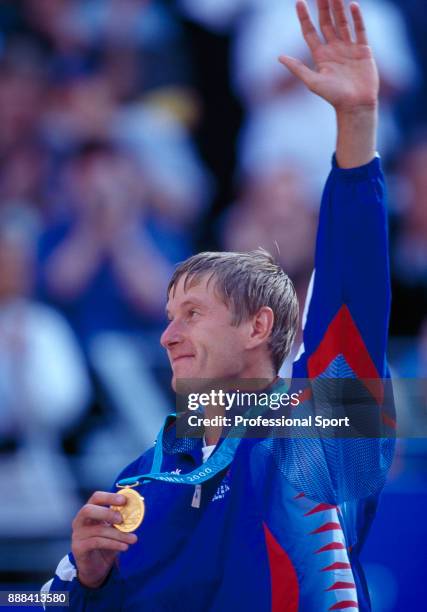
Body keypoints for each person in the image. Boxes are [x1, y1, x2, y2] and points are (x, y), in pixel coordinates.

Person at [45, 1, 395, 610]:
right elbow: (28, 604)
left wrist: (357, 126)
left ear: (259, 326)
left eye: (192, 314)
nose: (168, 335)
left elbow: (353, 292)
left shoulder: (318, 434)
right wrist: (80, 578)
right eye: (167, 317)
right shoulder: (142, 478)